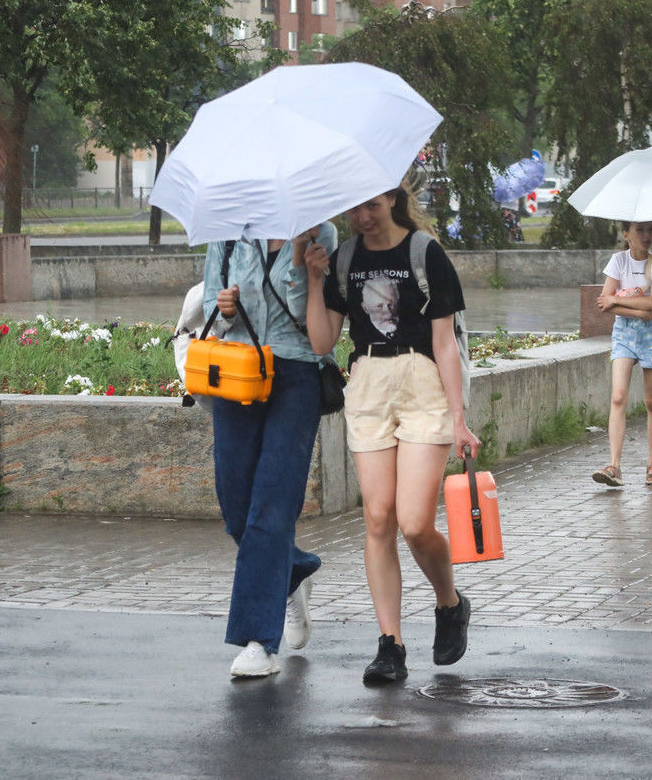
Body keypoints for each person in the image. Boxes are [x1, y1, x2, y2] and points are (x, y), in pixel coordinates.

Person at [304, 185, 480, 686]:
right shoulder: (343, 260)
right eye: (354, 207)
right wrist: (315, 280)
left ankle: (449, 603)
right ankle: (391, 644)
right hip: (369, 386)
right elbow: (323, 341)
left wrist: (459, 419)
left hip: (423, 381)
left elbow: (447, 345)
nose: (363, 216)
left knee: (415, 523)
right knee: (378, 518)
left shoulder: (425, 253)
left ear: (393, 200)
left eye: (372, 205)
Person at [204, 220, 339, 679]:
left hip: (297, 374)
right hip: (238, 370)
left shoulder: (324, 235)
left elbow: (314, 325)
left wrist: (307, 267)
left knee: (274, 506)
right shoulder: (228, 233)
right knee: (236, 506)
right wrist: (224, 309)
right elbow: (209, 303)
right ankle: (292, 569)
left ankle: (260, 640)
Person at [591, 221, 652, 487]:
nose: (647, 236)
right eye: (640, 231)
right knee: (618, 396)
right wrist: (637, 309)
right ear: (627, 235)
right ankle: (614, 465)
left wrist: (619, 300)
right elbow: (604, 302)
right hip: (624, 334)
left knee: (651, 401)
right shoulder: (618, 261)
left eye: (651, 230)